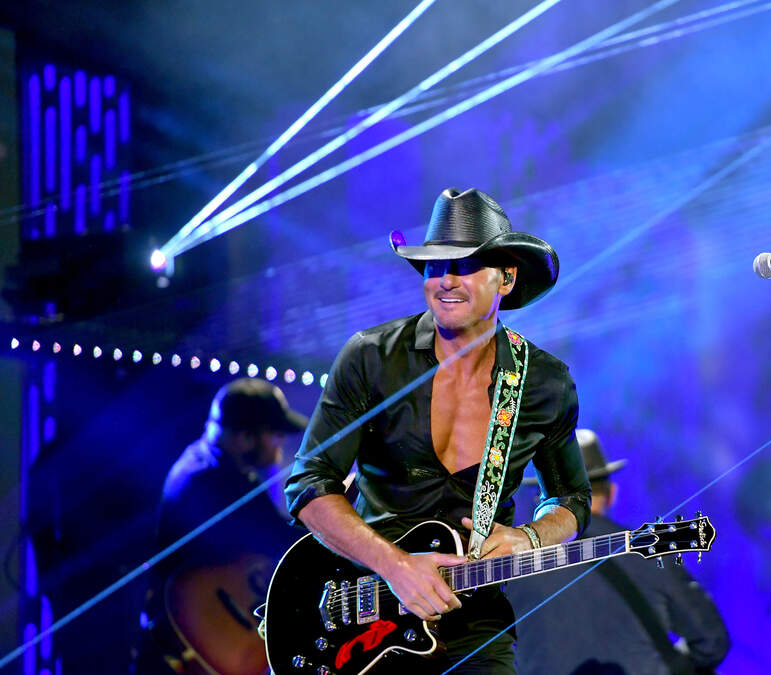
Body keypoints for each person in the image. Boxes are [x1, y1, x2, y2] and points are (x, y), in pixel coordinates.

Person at [284, 187, 591, 673]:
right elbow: (309, 482)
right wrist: (395, 566)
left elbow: (571, 498)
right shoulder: (372, 357)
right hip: (365, 613)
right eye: (433, 265)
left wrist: (532, 537)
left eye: (465, 265)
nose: (445, 280)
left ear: (507, 277)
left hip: (476, 620)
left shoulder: (544, 383)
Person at [506, 429, 730, 675]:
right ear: (611, 494)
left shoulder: (509, 567)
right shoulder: (648, 549)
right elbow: (712, 642)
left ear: (542, 500)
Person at [133, 377, 309, 674]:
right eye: (275, 433)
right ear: (244, 437)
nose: (281, 443)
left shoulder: (206, 464)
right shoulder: (214, 482)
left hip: (195, 636)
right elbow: (281, 542)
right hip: (200, 636)